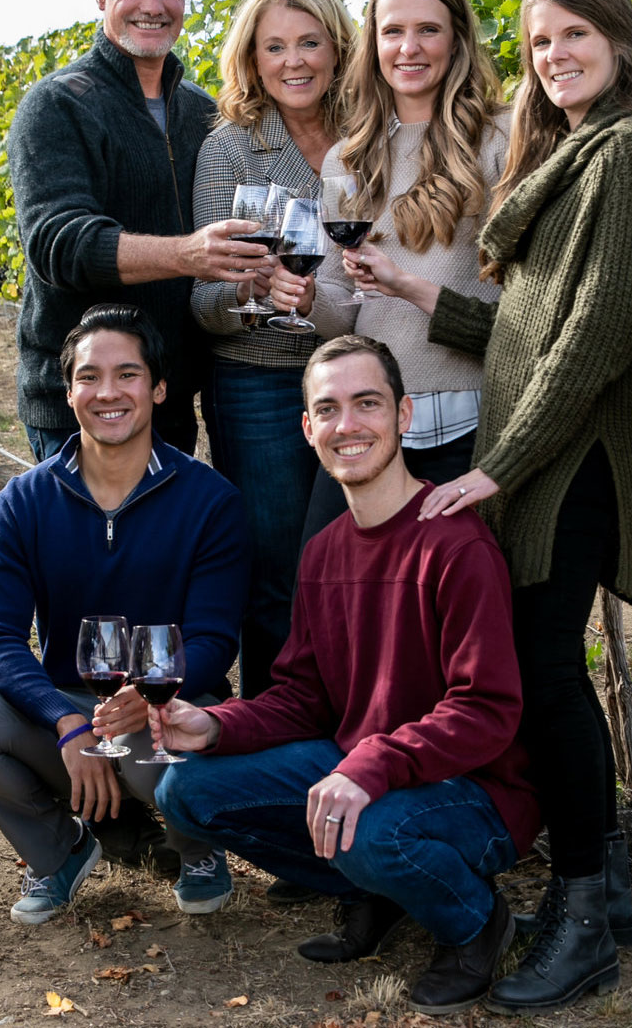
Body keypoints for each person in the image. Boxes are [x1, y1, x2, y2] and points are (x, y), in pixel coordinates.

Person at [348, 0, 632, 1013]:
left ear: (617, 40)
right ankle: (603, 886)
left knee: (544, 677)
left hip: (574, 463)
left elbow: (596, 336)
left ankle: (585, 910)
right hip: (549, 454)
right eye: (541, 44)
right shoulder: (576, 154)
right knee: (544, 675)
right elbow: (526, 327)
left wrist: (496, 468)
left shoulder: (631, 150)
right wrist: (417, 290)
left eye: (573, 38)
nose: (554, 59)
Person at [151, 335, 541, 1017]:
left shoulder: (456, 543)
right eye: (327, 409)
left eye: (367, 403)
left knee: (366, 831)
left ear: (404, 415)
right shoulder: (324, 551)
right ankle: (377, 890)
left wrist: (372, 765)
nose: (348, 424)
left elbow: (486, 710)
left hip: (471, 790)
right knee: (186, 789)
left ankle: (477, 923)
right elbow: (304, 696)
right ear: (307, 428)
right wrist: (214, 722)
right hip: (364, 765)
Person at [0, 304, 249, 924]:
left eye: (127, 374)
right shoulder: (26, 499)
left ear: (158, 387)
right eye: (89, 377)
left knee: (159, 743)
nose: (108, 393)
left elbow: (214, 640)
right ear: (68, 392)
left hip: (168, 711)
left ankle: (197, 850)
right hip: (69, 709)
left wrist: (148, 697)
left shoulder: (211, 501)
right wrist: (65, 722)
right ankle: (60, 850)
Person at [8, 0, 268, 461]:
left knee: (157, 548)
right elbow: (62, 244)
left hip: (169, 398)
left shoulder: (200, 110)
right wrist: (189, 254)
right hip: (81, 403)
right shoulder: (57, 105)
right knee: (92, 548)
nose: (153, 5)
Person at [290, 0, 511, 541]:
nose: (408, 48)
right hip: (373, 427)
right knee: (330, 597)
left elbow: (522, 303)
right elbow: (346, 313)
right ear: (374, 43)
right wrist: (310, 296)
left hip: (469, 428)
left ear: (457, 39)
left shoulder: (503, 139)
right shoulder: (350, 159)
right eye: (392, 32)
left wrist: (405, 283)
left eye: (428, 30)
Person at [190, 0, 354, 699]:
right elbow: (203, 300)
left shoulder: (372, 132)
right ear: (252, 60)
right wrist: (251, 287)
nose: (294, 61)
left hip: (358, 377)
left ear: (336, 47)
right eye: (275, 46)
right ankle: (273, 732)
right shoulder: (229, 149)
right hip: (258, 380)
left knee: (359, 567)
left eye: (310, 42)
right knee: (279, 577)